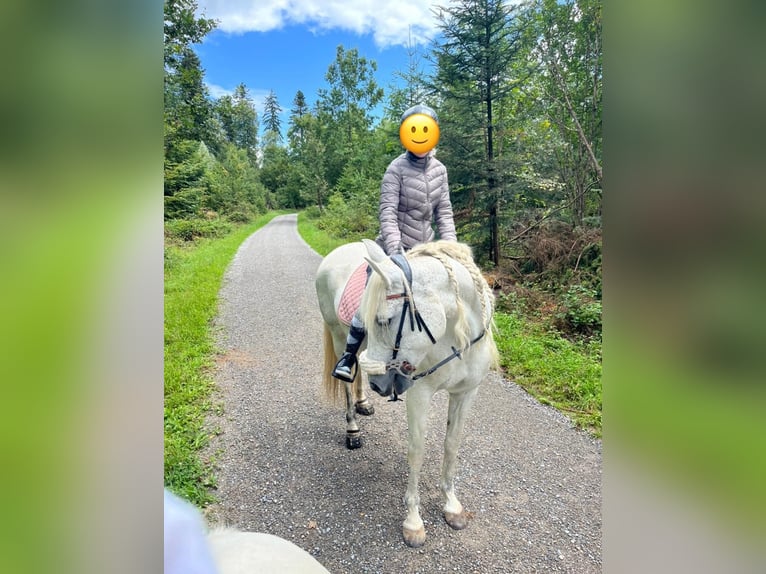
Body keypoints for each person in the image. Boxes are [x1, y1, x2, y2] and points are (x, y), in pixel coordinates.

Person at [331, 104, 457, 382]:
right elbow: (387, 212)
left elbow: (444, 213)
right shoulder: (396, 169)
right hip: (395, 248)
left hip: (427, 250)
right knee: (371, 295)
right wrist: (395, 250)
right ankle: (348, 356)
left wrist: (451, 250)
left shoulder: (440, 171)